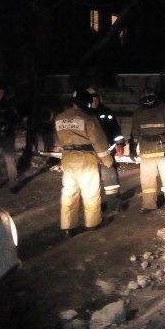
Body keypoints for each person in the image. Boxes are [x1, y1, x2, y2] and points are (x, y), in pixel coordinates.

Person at [55, 89, 114, 238]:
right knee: (90, 191)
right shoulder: (88, 118)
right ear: (85, 103)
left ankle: (68, 227)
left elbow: (60, 139)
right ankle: (92, 223)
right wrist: (107, 160)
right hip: (85, 158)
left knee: (69, 192)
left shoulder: (59, 118)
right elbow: (98, 142)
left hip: (68, 158)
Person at [130, 88, 165, 213]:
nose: (148, 101)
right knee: (147, 181)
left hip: (164, 151)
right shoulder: (138, 112)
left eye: (150, 98)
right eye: (145, 99)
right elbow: (135, 131)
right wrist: (132, 147)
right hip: (146, 151)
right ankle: (148, 204)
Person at [86, 86, 124, 216]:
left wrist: (120, 144)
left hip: (107, 152)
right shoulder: (84, 114)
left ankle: (114, 206)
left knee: (111, 181)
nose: (95, 101)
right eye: (92, 99)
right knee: (91, 182)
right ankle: (94, 207)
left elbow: (116, 130)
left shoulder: (107, 112)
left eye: (96, 99)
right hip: (90, 154)